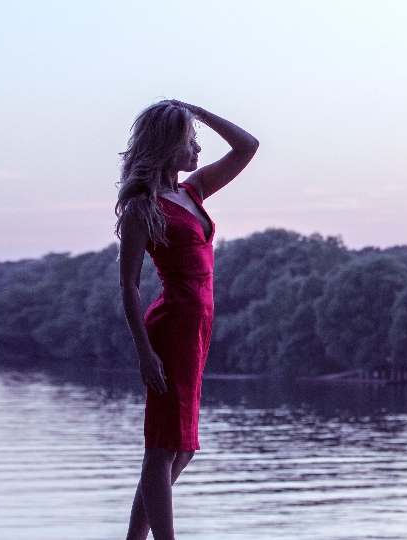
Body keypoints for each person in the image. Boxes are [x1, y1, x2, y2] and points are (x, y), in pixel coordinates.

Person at [115, 100, 258, 540]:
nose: (197, 149)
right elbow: (129, 285)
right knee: (163, 445)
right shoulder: (143, 207)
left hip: (198, 327)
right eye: (188, 141)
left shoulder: (192, 191)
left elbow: (247, 146)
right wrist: (143, 353)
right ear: (166, 147)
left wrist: (196, 111)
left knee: (183, 447)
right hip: (172, 326)